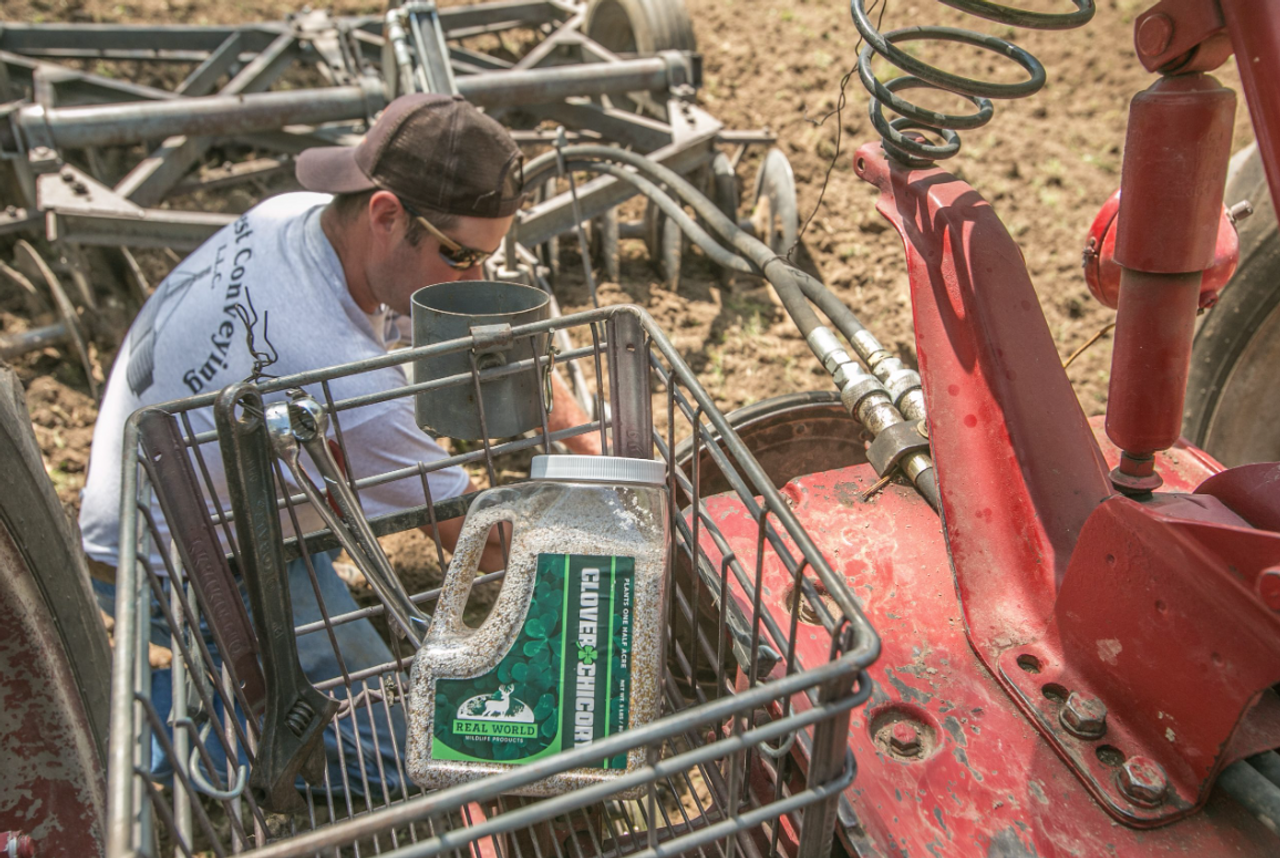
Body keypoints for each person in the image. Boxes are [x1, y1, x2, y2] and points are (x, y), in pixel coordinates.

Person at [79, 93, 597, 804]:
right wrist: (610, 573)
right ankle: (186, 730)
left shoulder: (297, 217)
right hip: (173, 564)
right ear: (386, 214)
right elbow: (490, 542)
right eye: (461, 257)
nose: (476, 282)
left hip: (206, 487)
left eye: (488, 260)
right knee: (416, 758)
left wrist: (595, 445)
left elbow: (502, 360)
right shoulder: (336, 375)